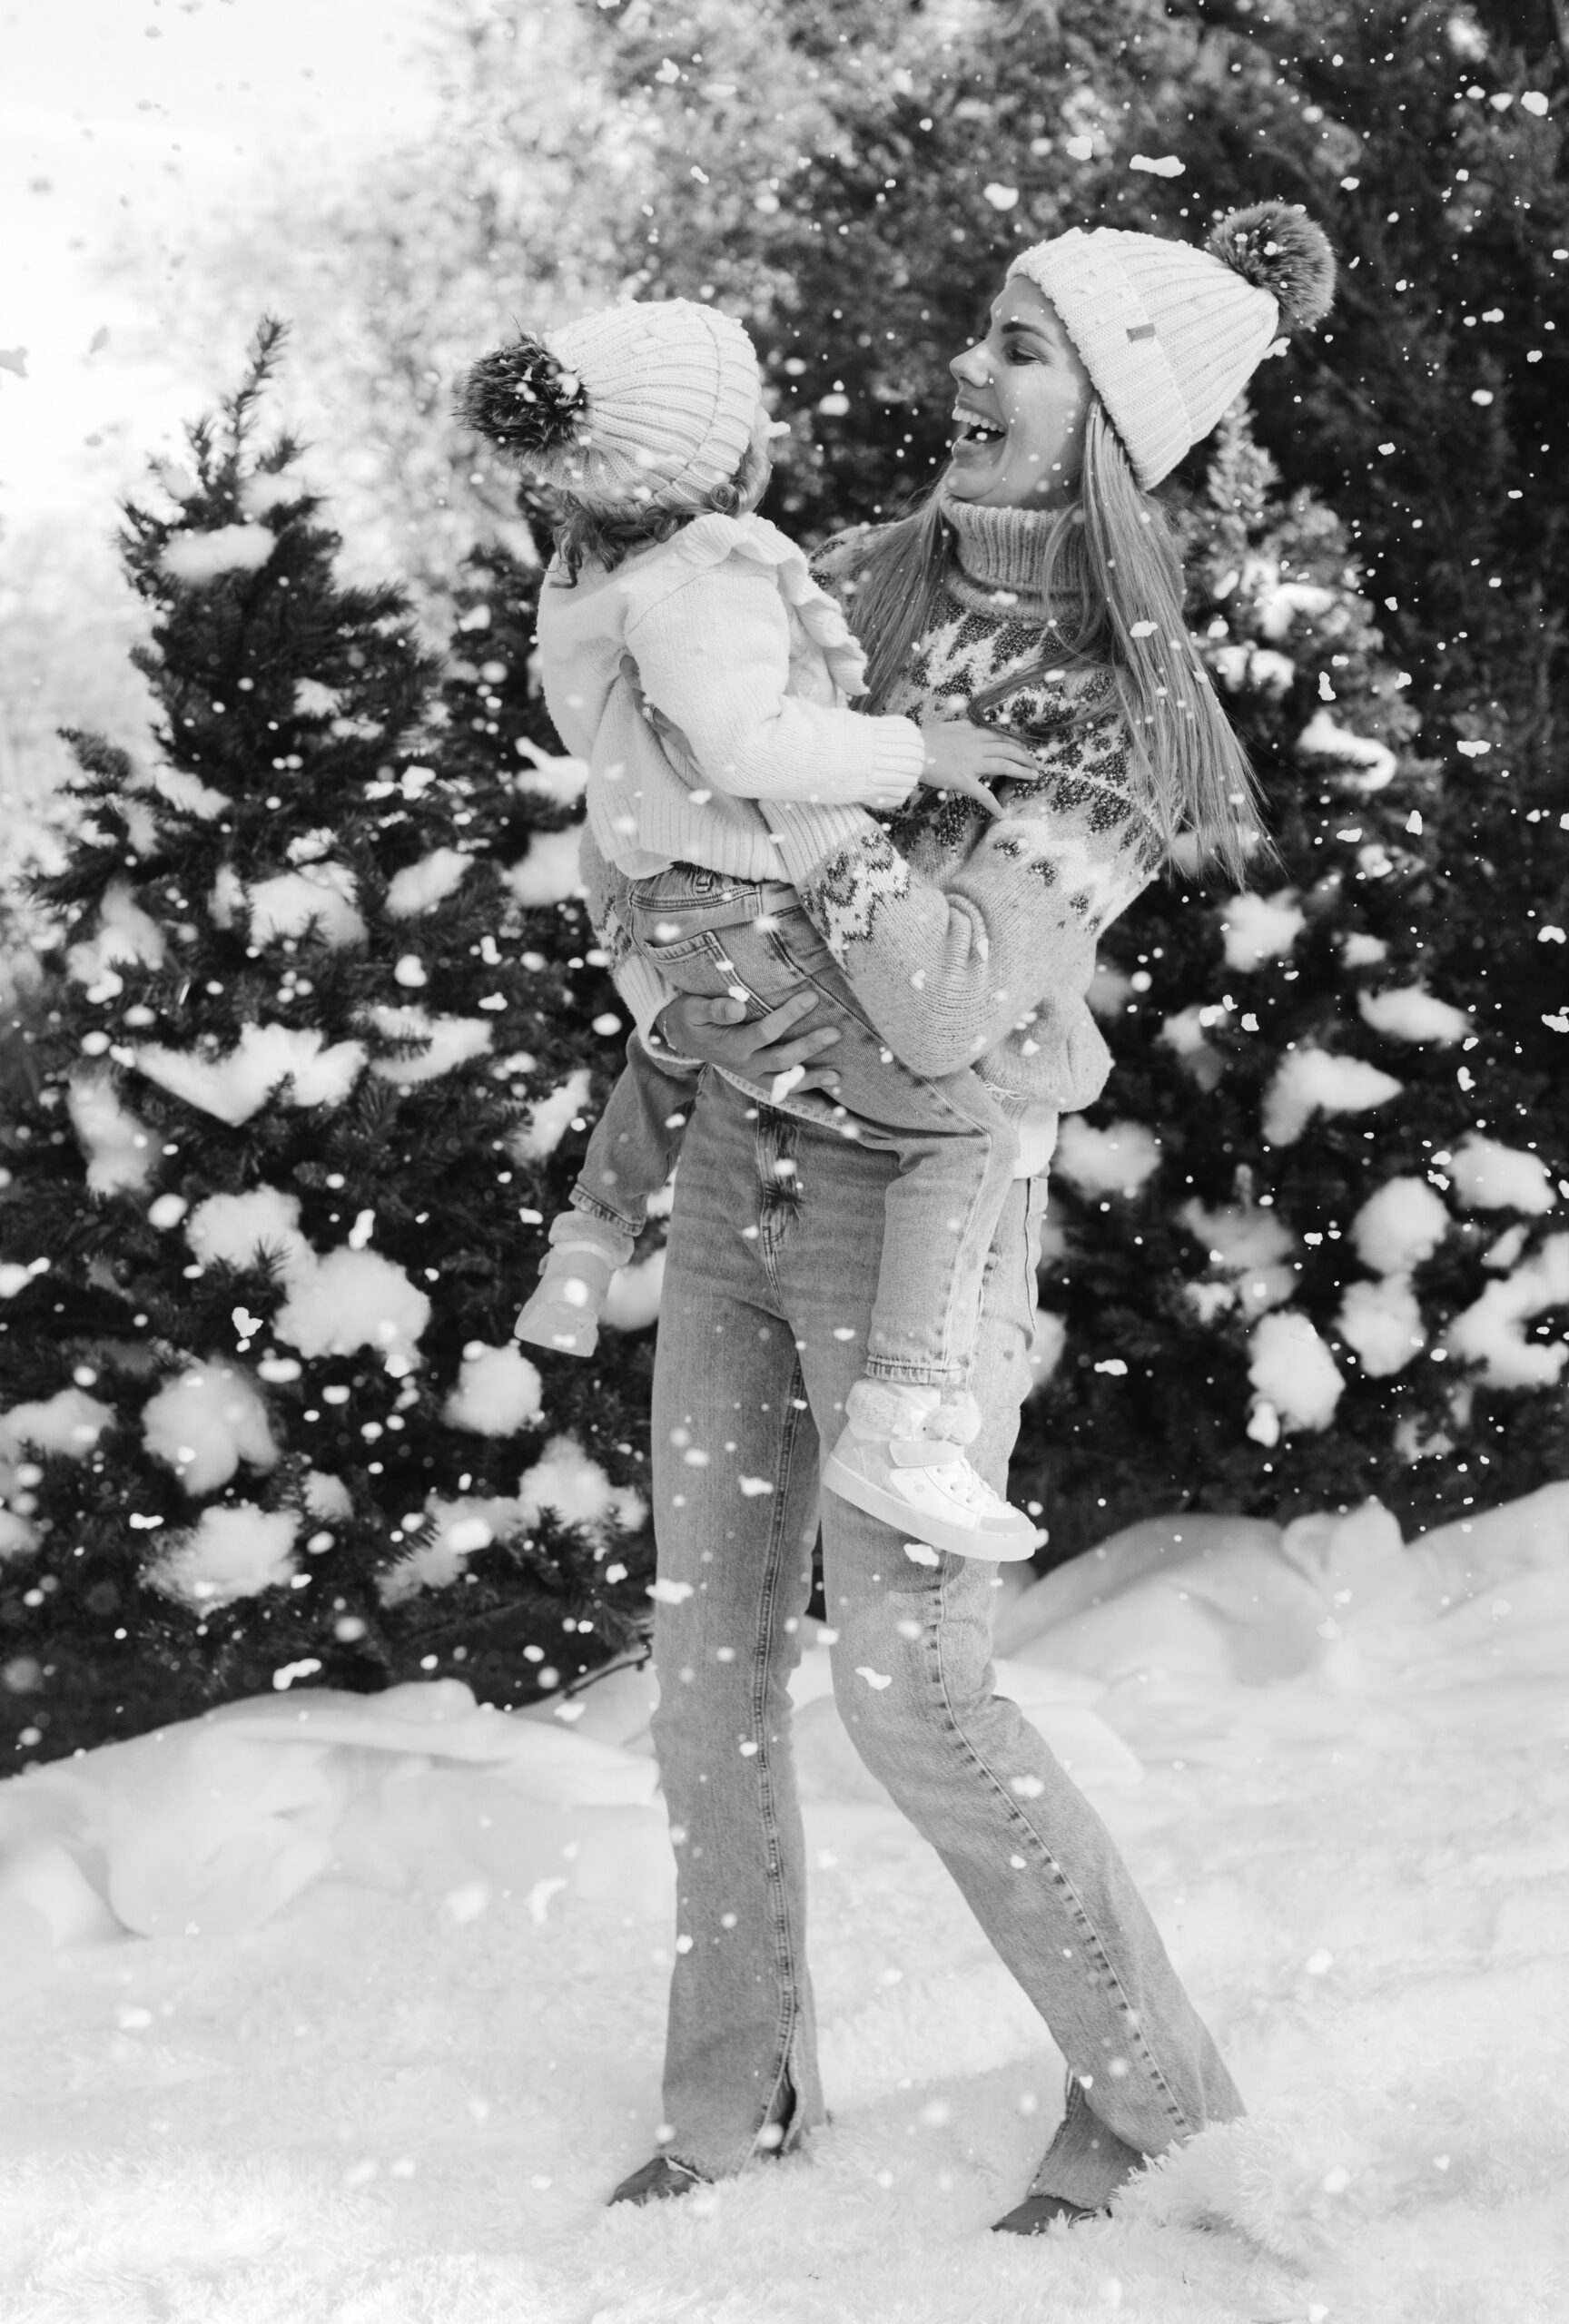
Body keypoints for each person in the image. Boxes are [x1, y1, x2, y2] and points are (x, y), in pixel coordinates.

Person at [587, 204, 1334, 2231]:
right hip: (743, 1159)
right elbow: (666, 781)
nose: (967, 374)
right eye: (983, 329)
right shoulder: (849, 589)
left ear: (1109, 420)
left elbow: (945, 995)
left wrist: (806, 821)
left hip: (920, 1218)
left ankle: (1159, 2106)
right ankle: (736, 2098)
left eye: (1021, 349)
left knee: (910, 1681)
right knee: (703, 1670)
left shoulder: (1130, 727)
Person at [460, 298, 1047, 1559]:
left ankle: (585, 1251)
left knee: (682, 1052)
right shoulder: (700, 581)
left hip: (658, 904)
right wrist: (913, 751)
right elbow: (747, 743)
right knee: (964, 1135)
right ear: (717, 457)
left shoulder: (587, 571)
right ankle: (905, 1417)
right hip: (742, 907)